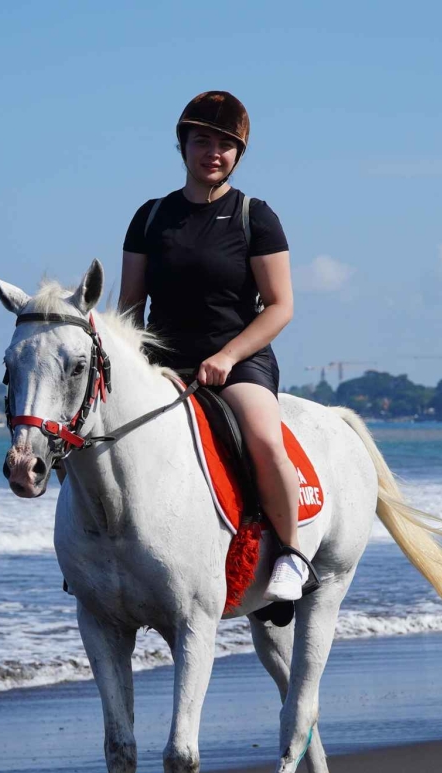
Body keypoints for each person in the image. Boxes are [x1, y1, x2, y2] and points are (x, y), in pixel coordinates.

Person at [118, 91, 309, 602]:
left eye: (227, 145)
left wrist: (226, 357)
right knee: (94, 433)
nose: (214, 153)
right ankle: (94, 553)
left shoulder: (255, 216)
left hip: (238, 358)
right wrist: (127, 366)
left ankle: (291, 553)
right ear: (182, 146)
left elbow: (279, 306)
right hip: (161, 363)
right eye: (203, 140)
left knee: (264, 439)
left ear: (238, 155)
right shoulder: (150, 217)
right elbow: (130, 308)